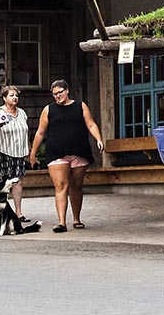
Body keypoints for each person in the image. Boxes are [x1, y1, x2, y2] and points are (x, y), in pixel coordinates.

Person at [28, 79, 104, 232]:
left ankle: (76, 219)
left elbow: (91, 124)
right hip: (57, 152)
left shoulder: (80, 106)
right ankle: (62, 222)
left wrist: (99, 139)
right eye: (54, 94)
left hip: (79, 151)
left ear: (67, 90)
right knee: (61, 186)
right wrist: (33, 153)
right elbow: (40, 132)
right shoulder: (48, 110)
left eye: (60, 93)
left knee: (76, 186)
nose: (58, 96)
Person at [0, 85, 29, 221]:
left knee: (17, 182)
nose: (15, 98)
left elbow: (26, 132)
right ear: (4, 98)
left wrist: (28, 150)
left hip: (19, 152)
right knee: (2, 183)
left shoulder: (22, 113)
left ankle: (18, 212)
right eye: (11, 95)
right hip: (3, 152)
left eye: (16, 95)